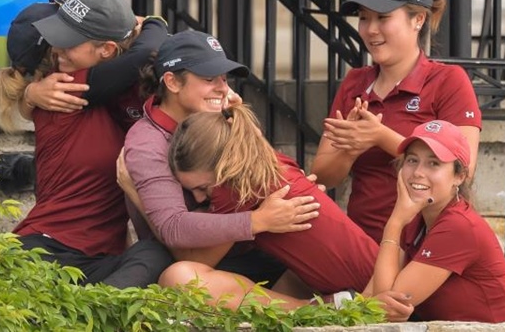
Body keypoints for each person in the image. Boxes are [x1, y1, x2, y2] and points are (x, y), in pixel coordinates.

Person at [0, 0, 173, 288]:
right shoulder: (65, 87)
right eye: (55, 44)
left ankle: (99, 306)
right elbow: (144, 52)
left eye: (68, 41)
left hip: (99, 260)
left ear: (107, 50)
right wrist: (154, 22)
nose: (59, 49)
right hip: (46, 248)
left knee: (154, 254)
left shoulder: (111, 89)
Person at [121, 30, 322, 289]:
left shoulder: (223, 117)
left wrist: (297, 189)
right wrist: (256, 220)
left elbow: (266, 176)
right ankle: (312, 307)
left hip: (260, 249)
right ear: (171, 82)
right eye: (208, 78)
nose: (222, 88)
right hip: (201, 264)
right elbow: (173, 226)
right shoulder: (147, 141)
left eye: (224, 78)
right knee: (183, 279)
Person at [311, 0, 482, 243]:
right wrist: (352, 148)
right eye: (364, 18)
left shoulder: (448, 81)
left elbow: (464, 169)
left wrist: (380, 136)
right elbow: (323, 177)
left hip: (425, 246)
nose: (370, 29)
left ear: (418, 20)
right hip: (361, 240)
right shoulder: (355, 82)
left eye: (383, 17)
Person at [159, 103, 380, 310]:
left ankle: (310, 310)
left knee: (179, 277)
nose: (199, 199)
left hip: (369, 291)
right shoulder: (266, 162)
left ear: (223, 167)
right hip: (365, 275)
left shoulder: (234, 189)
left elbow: (198, 262)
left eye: (203, 187)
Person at [363, 120, 505, 322]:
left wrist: (394, 222)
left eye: (433, 163)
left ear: (459, 176)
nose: (418, 172)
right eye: (412, 160)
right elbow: (371, 297)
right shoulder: (417, 218)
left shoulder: (458, 226)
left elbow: (386, 309)